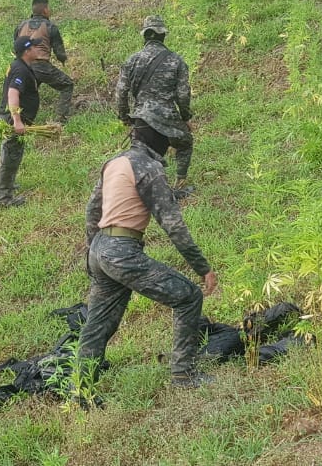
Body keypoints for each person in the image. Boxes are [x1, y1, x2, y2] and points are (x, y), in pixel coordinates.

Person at [77, 120, 219, 389]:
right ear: (159, 141)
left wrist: (92, 251)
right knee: (189, 297)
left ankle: (81, 389)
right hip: (122, 251)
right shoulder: (148, 168)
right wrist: (202, 267)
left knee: (97, 324)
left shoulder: (114, 163)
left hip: (99, 249)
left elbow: (91, 211)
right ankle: (182, 375)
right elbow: (173, 224)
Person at [114, 15, 195, 193]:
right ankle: (179, 183)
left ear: (144, 35)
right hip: (168, 120)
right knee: (185, 143)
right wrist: (185, 117)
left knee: (142, 156)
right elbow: (183, 94)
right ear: (163, 36)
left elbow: (120, 92)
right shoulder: (176, 60)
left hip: (142, 119)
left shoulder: (132, 60)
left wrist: (124, 117)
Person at [0, 37, 42, 207]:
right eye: (34, 47)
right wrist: (17, 121)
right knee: (9, 157)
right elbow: (13, 94)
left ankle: (9, 184)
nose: (38, 48)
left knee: (13, 155)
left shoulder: (20, 66)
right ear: (27, 51)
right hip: (11, 120)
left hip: (13, 119)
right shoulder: (20, 70)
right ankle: (4, 199)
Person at [14, 0, 74, 124]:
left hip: (23, 67)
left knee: (25, 94)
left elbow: (17, 45)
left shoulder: (21, 26)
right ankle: (61, 119)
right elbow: (60, 52)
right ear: (45, 10)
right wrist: (63, 60)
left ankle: (21, 121)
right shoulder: (50, 26)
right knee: (67, 85)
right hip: (41, 66)